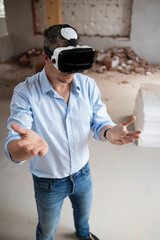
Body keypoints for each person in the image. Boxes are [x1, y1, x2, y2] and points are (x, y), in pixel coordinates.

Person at [4, 24, 141, 240]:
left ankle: (84, 235)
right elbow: (14, 145)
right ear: (46, 57)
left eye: (74, 61)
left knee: (84, 216)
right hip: (48, 182)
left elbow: (100, 122)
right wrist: (25, 149)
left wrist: (108, 132)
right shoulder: (25, 93)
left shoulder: (88, 86)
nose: (70, 71)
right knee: (47, 229)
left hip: (82, 173)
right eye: (63, 62)